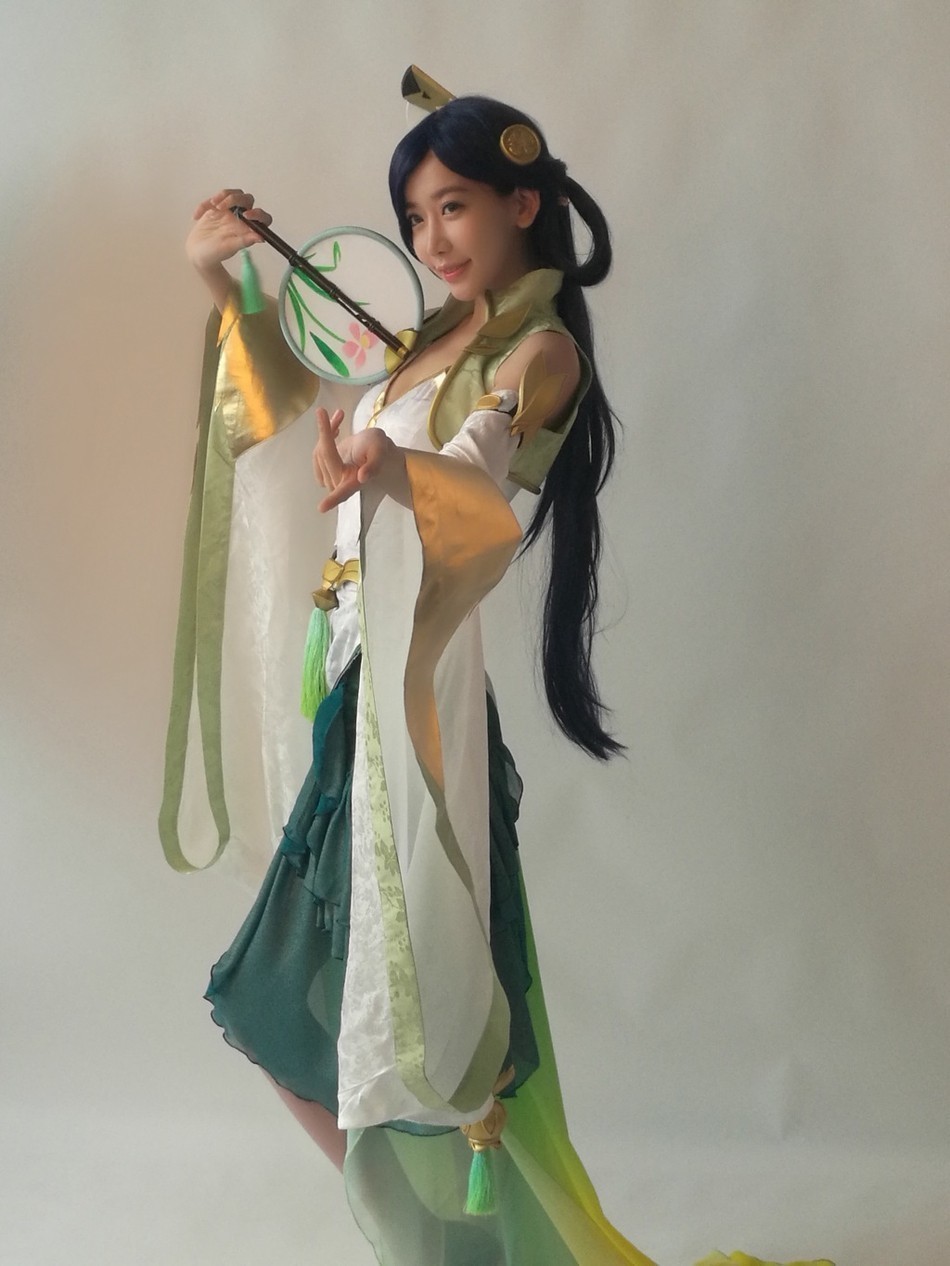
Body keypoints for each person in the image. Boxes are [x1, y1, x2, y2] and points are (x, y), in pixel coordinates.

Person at [170, 89, 832, 1266]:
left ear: (522, 203)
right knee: (304, 995)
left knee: (363, 997)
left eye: (453, 206)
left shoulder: (540, 352)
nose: (430, 238)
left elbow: (473, 484)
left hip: (413, 703)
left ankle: (439, 1247)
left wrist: (384, 467)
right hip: (352, 685)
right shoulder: (417, 337)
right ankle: (435, 1244)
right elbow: (283, 399)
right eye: (414, 216)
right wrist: (225, 276)